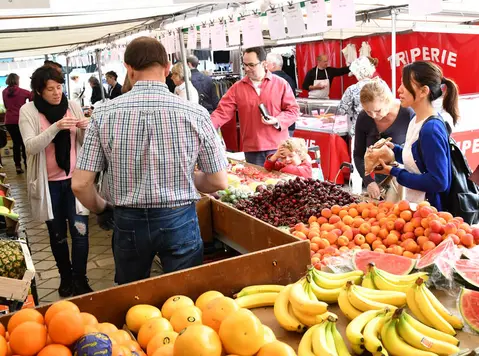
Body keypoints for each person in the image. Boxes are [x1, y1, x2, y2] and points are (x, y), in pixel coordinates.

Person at [71, 37, 228, 285]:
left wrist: (101, 208)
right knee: (185, 297)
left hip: (127, 219)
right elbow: (219, 180)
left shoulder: (103, 113)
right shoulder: (195, 113)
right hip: (180, 218)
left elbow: (80, 184)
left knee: (132, 299)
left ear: (128, 68)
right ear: (167, 68)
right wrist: (187, 177)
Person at [19, 66, 92, 297]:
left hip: (74, 182)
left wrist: (85, 128)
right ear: (39, 91)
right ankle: (66, 278)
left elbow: (83, 143)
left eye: (59, 87)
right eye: (50, 89)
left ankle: (80, 278)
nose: (56, 93)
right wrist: (55, 127)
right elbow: (30, 146)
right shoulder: (28, 111)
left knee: (80, 232)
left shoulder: (72, 106)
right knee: (58, 234)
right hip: (49, 186)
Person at [377, 61, 460, 212]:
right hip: (415, 209)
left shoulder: (431, 130)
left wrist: (394, 172)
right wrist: (394, 149)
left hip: (430, 213)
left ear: (423, 91)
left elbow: (439, 181)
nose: (399, 90)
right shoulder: (415, 120)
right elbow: (417, 161)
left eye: (405, 84)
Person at [211, 47, 300, 166]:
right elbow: (222, 112)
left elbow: (293, 111)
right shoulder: (237, 88)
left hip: (279, 148)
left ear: (264, 64)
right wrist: (206, 126)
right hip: (252, 148)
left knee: (280, 183)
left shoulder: (281, 84)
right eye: (245, 65)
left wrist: (277, 120)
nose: (247, 69)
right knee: (256, 183)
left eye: (251, 65)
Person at [353, 79, 414, 199]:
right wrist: (368, 182)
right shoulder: (363, 118)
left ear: (388, 101)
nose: (374, 116)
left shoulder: (407, 114)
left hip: (406, 179)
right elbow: (358, 154)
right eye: (368, 111)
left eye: (377, 110)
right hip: (380, 181)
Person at [338, 56, 379, 137]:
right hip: (378, 129)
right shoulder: (380, 84)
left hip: (358, 130)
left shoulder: (352, 89)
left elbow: (342, 110)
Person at [2, 73, 33, 174]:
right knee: (24, 143)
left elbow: (6, 106)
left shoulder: (4, 92)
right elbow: (32, 98)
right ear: (17, 81)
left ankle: (18, 166)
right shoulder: (23, 92)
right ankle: (27, 164)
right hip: (21, 120)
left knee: (16, 143)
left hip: (9, 120)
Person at [267, 52, 297, 136]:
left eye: (266, 63)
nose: (264, 66)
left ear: (273, 65)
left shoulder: (270, 80)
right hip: (289, 124)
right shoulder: (289, 79)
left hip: (275, 124)